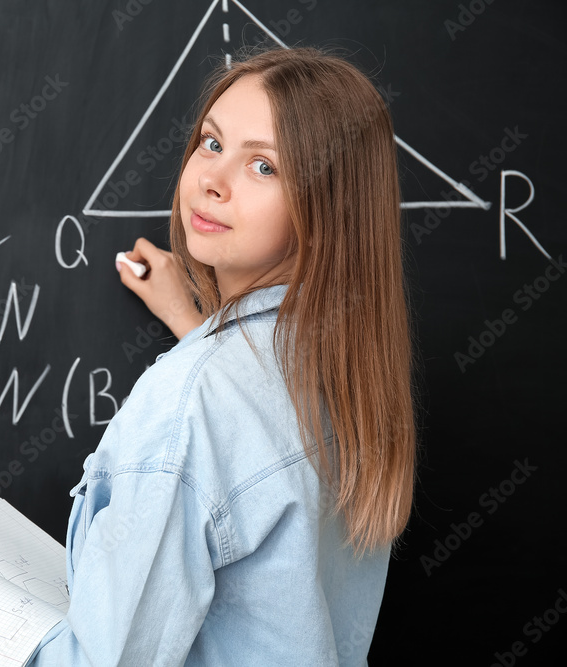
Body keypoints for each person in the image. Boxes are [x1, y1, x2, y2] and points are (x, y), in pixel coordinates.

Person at [27, 46, 419, 666]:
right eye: (211, 144)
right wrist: (193, 324)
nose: (212, 178)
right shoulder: (348, 369)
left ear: (325, 207)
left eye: (264, 166)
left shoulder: (190, 401)